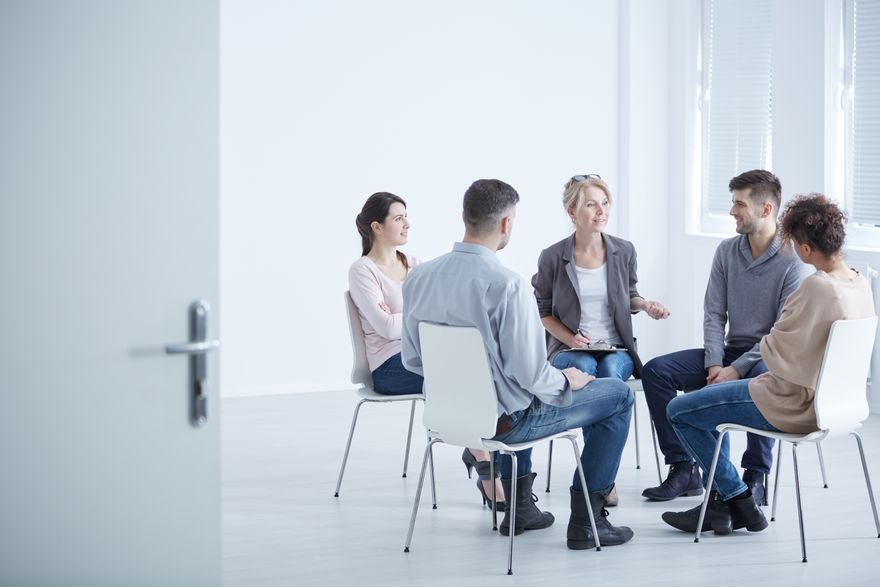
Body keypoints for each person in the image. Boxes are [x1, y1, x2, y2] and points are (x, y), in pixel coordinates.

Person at [401, 179, 634, 549]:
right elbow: (531, 375)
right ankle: (587, 521)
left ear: (464, 216)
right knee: (619, 395)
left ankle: (520, 507)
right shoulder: (507, 286)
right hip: (506, 424)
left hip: (445, 418)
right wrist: (566, 380)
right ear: (507, 223)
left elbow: (413, 360)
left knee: (517, 393)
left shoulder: (418, 277)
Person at [662, 193, 875, 535]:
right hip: (839, 405)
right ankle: (731, 502)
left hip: (791, 403)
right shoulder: (860, 283)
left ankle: (737, 498)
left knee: (680, 411)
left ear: (805, 249)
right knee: (705, 402)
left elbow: (773, 350)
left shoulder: (817, 287)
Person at [640, 170, 810, 503]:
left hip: (769, 357)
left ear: (766, 209)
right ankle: (683, 467)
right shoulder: (727, 251)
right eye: (733, 203)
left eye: (739, 204)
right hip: (729, 354)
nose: (732, 211)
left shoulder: (793, 261)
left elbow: (781, 333)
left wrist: (735, 370)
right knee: (656, 371)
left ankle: (755, 476)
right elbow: (714, 314)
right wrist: (715, 364)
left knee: (765, 376)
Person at [348, 192, 505, 509]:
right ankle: (486, 466)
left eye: (406, 217)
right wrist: (417, 315)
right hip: (388, 366)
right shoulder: (362, 270)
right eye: (398, 218)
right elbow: (387, 329)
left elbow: (436, 314)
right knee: (459, 381)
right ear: (377, 227)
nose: (407, 224)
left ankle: (482, 452)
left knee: (484, 372)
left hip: (426, 353)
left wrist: (404, 316)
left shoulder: (415, 265)